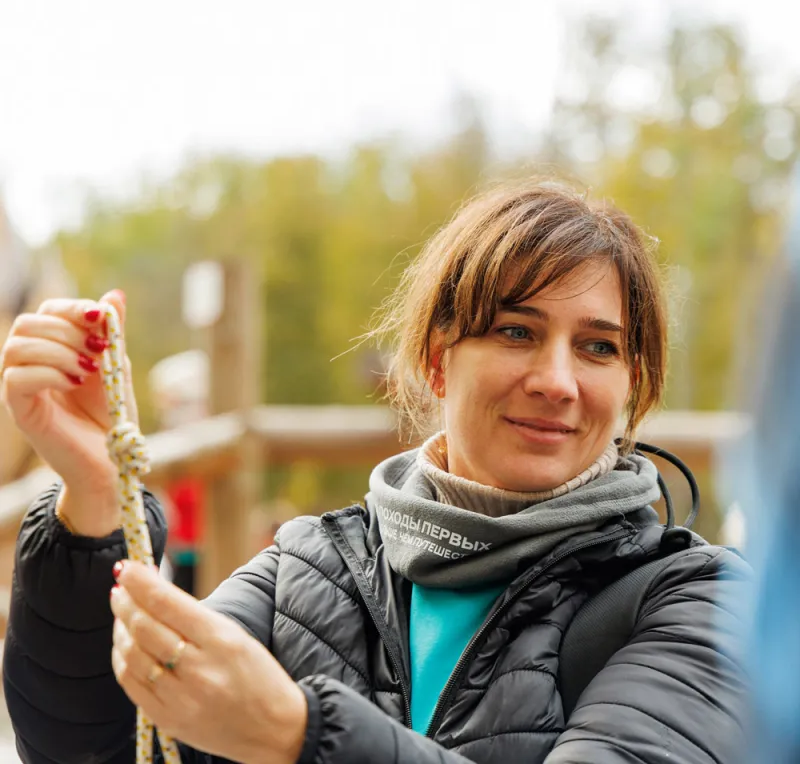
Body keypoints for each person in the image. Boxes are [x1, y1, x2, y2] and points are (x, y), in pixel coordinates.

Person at [0, 181, 749, 764]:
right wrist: (95, 499)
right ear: (435, 360)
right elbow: (104, 747)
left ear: (631, 386)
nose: (557, 379)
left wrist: (301, 737)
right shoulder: (307, 570)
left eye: (598, 348)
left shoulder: (702, 606)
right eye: (516, 331)